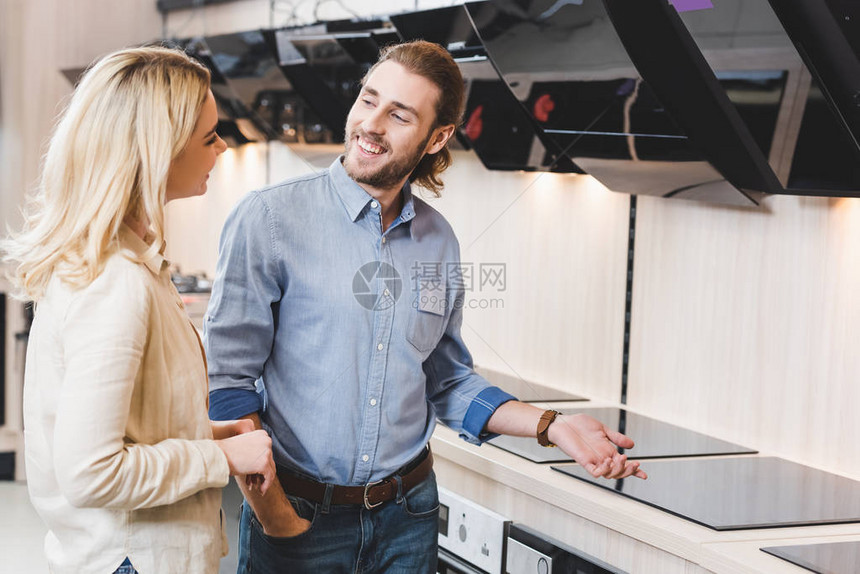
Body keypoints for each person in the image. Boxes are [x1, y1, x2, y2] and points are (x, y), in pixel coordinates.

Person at [205, 40, 647, 573]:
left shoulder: (438, 241)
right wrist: (273, 514)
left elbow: (446, 380)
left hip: (407, 518)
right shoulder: (270, 220)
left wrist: (553, 426)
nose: (371, 124)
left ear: (437, 137)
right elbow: (228, 385)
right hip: (299, 520)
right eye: (368, 100)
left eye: (399, 114)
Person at [2, 46, 277, 574]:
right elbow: (92, 473)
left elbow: (135, 427)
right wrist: (220, 458)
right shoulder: (116, 284)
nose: (221, 146)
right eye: (208, 136)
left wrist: (215, 432)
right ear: (160, 151)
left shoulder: (118, 259)